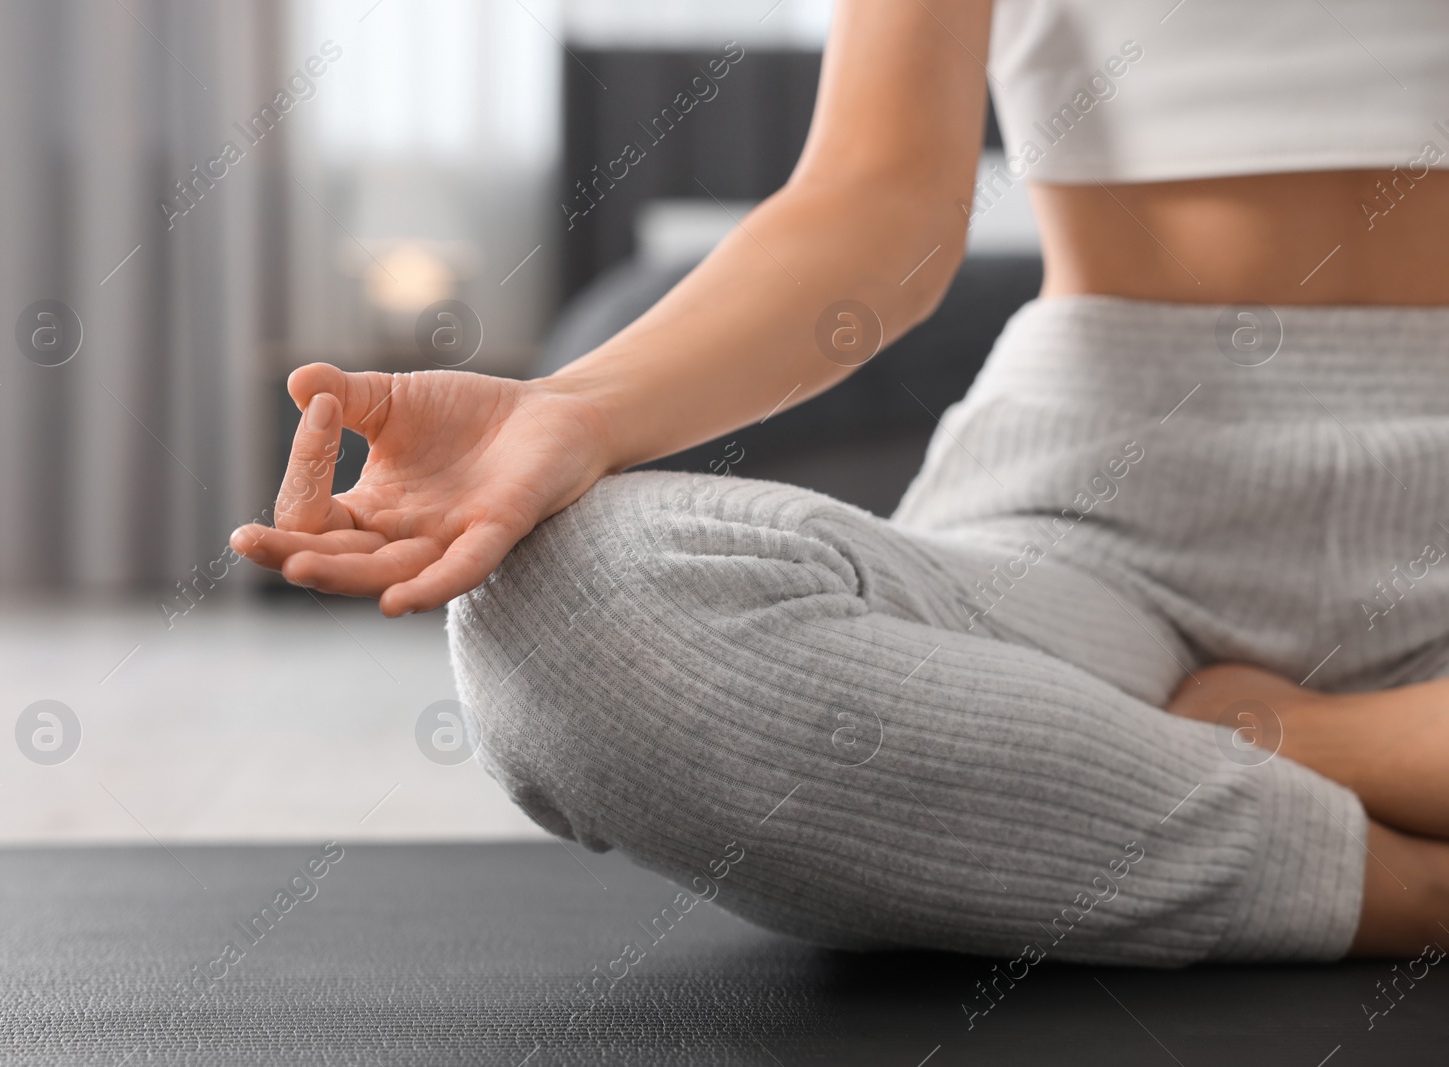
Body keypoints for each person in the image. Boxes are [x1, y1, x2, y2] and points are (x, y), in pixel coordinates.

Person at [231, 0, 1449, 963]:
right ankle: (1397, 885)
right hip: (1100, 530)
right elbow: (873, 205)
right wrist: (574, 410)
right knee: (562, 602)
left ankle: (1259, 747)